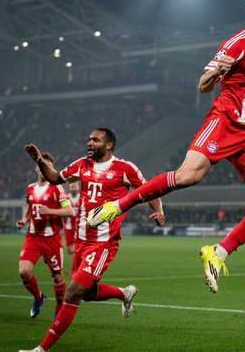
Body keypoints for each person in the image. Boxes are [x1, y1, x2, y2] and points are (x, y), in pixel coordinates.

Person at [87, 0, 245, 294]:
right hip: (224, 123)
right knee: (189, 176)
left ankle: (218, 253)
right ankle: (117, 206)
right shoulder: (236, 44)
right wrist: (216, 73)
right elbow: (202, 85)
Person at [19, 128, 165, 352]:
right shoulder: (82, 164)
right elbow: (55, 178)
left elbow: (149, 190)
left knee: (73, 293)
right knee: (86, 294)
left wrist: (159, 211)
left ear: (109, 145)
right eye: (89, 139)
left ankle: (41, 349)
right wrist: (38, 159)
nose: (89, 143)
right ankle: (124, 293)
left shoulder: (124, 169)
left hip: (103, 243)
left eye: (95, 140)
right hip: (82, 241)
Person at [17, 152, 74, 318]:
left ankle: (59, 306)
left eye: (48, 166)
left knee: (57, 276)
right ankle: (38, 298)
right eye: (41, 165)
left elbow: (69, 211)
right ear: (37, 168)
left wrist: (50, 210)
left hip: (51, 239)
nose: (44, 168)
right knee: (24, 271)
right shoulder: (30, 188)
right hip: (33, 237)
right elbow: (30, 208)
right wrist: (24, 219)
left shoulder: (57, 188)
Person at [64, 182, 81, 254]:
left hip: (79, 226)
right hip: (69, 226)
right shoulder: (65, 199)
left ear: (78, 188)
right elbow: (63, 211)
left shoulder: (82, 197)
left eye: (75, 187)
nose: (73, 189)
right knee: (70, 250)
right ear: (69, 188)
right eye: (72, 187)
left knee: (79, 247)